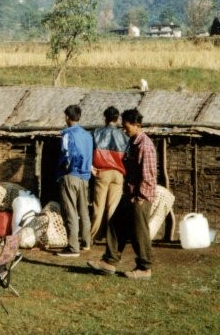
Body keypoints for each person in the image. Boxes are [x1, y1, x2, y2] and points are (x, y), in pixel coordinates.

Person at [88, 108, 157, 279]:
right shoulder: (132, 143)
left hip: (140, 196)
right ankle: (109, 262)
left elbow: (148, 175)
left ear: (137, 125)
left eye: (127, 127)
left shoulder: (145, 145)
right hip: (130, 194)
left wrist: (140, 197)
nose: (124, 130)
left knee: (139, 231)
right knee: (116, 224)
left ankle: (144, 268)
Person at [56, 104, 93, 258]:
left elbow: (67, 154)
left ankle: (73, 247)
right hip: (85, 177)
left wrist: (63, 169)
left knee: (70, 210)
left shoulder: (67, 135)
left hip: (70, 175)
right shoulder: (88, 136)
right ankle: (86, 242)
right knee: (83, 209)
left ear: (67, 117)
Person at [89, 106, 127, 243]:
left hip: (102, 172)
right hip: (118, 174)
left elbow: (88, 152)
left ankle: (92, 237)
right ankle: (112, 240)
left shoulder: (96, 133)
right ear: (117, 119)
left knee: (98, 207)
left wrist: (91, 167)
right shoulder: (124, 135)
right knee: (113, 208)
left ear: (105, 118)